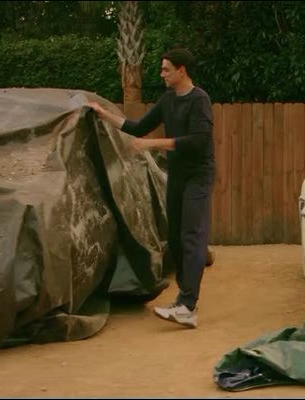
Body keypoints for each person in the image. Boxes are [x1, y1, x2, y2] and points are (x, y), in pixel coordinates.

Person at [87, 48, 214, 329]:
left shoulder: (199, 100)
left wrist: (151, 144)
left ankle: (187, 304)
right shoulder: (168, 100)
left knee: (191, 236)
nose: (162, 74)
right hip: (177, 175)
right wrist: (104, 114)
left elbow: (198, 141)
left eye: (166, 69)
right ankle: (185, 300)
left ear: (181, 70)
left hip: (198, 175)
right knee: (176, 238)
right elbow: (138, 127)